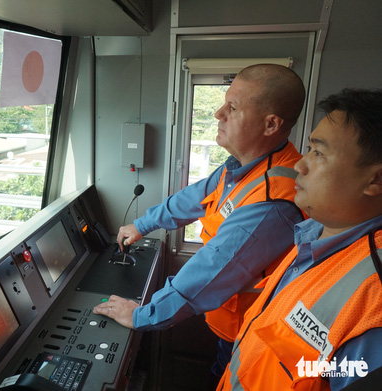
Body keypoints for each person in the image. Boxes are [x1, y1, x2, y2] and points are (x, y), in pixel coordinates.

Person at [93, 64, 307, 378]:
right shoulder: (243, 167)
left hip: (247, 335)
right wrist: (142, 224)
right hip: (227, 322)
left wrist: (141, 315)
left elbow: (211, 268)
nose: (218, 113)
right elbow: (195, 197)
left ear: (270, 124)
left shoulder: (273, 201)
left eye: (232, 108)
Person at [218, 88, 382, 390]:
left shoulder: (373, 300)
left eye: (318, 153)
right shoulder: (314, 234)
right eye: (308, 148)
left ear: (375, 180)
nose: (299, 165)